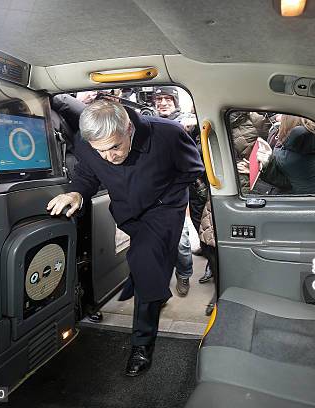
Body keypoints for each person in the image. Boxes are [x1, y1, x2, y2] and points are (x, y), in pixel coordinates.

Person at [46, 99, 204, 376]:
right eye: (101, 151)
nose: (109, 157)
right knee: (148, 265)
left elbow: (192, 170)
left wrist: (162, 199)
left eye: (115, 147)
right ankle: (153, 287)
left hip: (164, 209)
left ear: (129, 128)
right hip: (128, 212)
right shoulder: (87, 144)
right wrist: (76, 193)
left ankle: (142, 345)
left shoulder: (167, 133)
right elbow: (86, 175)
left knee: (144, 263)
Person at [152, 86, 199, 296]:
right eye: (158, 99)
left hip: (175, 193)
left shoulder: (184, 121)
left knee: (180, 240)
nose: (162, 103)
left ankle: (184, 274)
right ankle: (159, 284)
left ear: (175, 101)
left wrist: (193, 126)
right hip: (151, 192)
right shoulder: (147, 122)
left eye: (167, 99)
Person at [257, 116, 315, 195]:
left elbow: (285, 182)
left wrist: (267, 163)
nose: (277, 118)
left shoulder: (284, 158)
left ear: (286, 128)